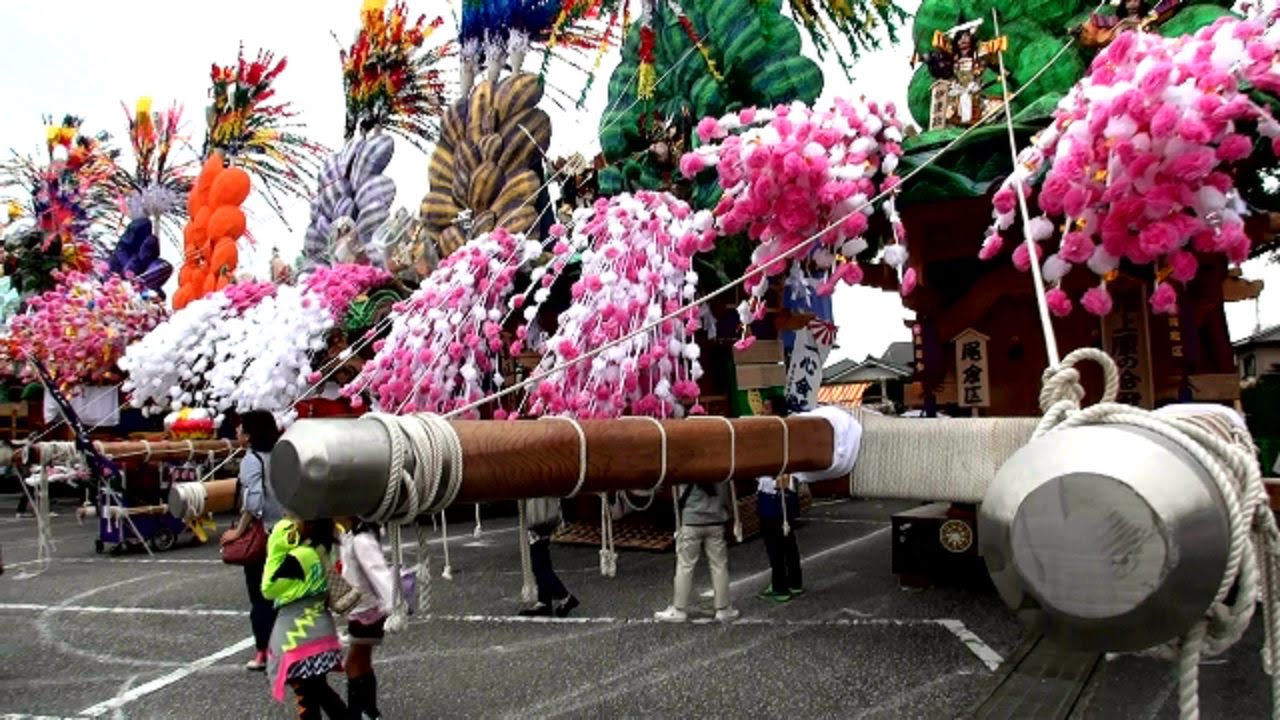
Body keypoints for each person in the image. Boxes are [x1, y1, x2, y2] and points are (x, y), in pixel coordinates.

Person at [262, 515, 347, 719]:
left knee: (307, 697)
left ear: (308, 524)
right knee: (319, 691)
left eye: (294, 518)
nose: (290, 521)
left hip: (297, 636)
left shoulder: (300, 556)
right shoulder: (323, 549)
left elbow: (268, 588)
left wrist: (276, 545)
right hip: (322, 632)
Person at [220, 410, 284, 672]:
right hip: (286, 531)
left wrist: (238, 530)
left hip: (265, 534)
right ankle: (285, 647)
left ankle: (263, 651)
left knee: (260, 596)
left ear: (249, 434)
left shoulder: (251, 459)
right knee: (284, 593)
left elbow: (254, 501)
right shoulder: (282, 455)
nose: (237, 432)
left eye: (240, 428)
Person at [654, 480, 739, 623]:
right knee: (719, 565)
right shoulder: (720, 466)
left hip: (691, 521)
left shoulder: (687, 468)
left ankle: (679, 609)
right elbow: (726, 495)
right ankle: (723, 609)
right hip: (716, 520)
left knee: (685, 566)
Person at [338, 518, 396, 719]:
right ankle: (368, 711)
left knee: (354, 663)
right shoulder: (352, 536)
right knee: (360, 661)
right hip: (363, 608)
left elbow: (379, 573)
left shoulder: (361, 540)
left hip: (367, 610)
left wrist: (393, 606)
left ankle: (362, 712)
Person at [757, 397, 802, 603]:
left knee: (774, 544)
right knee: (789, 541)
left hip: (772, 496)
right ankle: (794, 582)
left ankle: (780, 586)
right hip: (789, 493)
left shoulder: (770, 435)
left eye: (766, 408)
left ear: (776, 411)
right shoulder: (792, 432)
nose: (762, 411)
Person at [518, 497, 579, 617]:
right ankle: (544, 601)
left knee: (539, 565)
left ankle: (565, 597)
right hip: (544, 514)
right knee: (542, 560)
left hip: (538, 515)